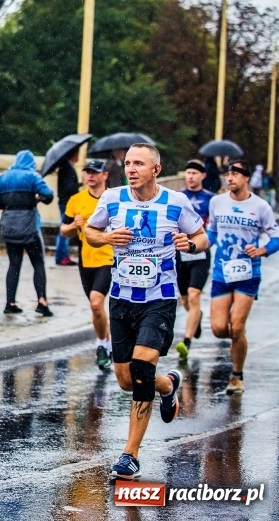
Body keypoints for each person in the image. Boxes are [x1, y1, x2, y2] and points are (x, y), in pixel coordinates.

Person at [84, 143, 208, 480]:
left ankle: (130, 454)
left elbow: (201, 237)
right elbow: (90, 232)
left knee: (141, 366)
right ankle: (167, 386)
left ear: (156, 168)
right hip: (121, 297)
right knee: (125, 379)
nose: (132, 169)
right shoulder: (112, 199)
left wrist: (190, 244)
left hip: (160, 297)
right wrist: (108, 237)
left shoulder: (175, 201)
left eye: (139, 163)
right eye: (128, 163)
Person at [206, 159, 279, 395]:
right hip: (222, 271)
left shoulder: (260, 207)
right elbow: (212, 233)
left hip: (248, 272)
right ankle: (240, 340)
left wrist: (262, 250)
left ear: (246, 178)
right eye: (228, 174)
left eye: (236, 174)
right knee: (219, 328)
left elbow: (275, 237)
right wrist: (199, 246)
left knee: (236, 326)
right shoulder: (217, 202)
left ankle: (236, 376)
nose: (230, 178)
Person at [59, 159, 113, 370]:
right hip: (86, 259)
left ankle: (100, 345)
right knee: (97, 309)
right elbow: (64, 230)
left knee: (96, 303)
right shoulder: (76, 200)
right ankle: (106, 345)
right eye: (87, 172)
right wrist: (74, 225)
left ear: (104, 175)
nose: (90, 176)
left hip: (109, 258)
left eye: (95, 172)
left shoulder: (113, 198)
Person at [0, 150, 54, 316]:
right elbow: (49, 195)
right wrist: (36, 199)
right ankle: (42, 301)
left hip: (10, 228)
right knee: (38, 264)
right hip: (30, 228)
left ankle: (10, 303)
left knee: (14, 265)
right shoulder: (33, 177)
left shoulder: (2, 178)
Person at [174, 160, 216, 361]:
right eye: (188, 172)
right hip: (181, 252)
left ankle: (187, 341)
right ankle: (195, 317)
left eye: (195, 173)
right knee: (184, 299)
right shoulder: (178, 197)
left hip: (200, 252)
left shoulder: (211, 199)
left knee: (193, 295)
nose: (191, 176)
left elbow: (215, 227)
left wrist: (208, 241)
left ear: (203, 176)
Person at [54, 150, 80, 266]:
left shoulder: (65, 166)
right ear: (73, 154)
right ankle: (61, 256)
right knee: (65, 228)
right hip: (66, 202)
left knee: (65, 228)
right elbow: (69, 188)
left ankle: (62, 255)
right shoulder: (67, 168)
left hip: (64, 201)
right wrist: (78, 185)